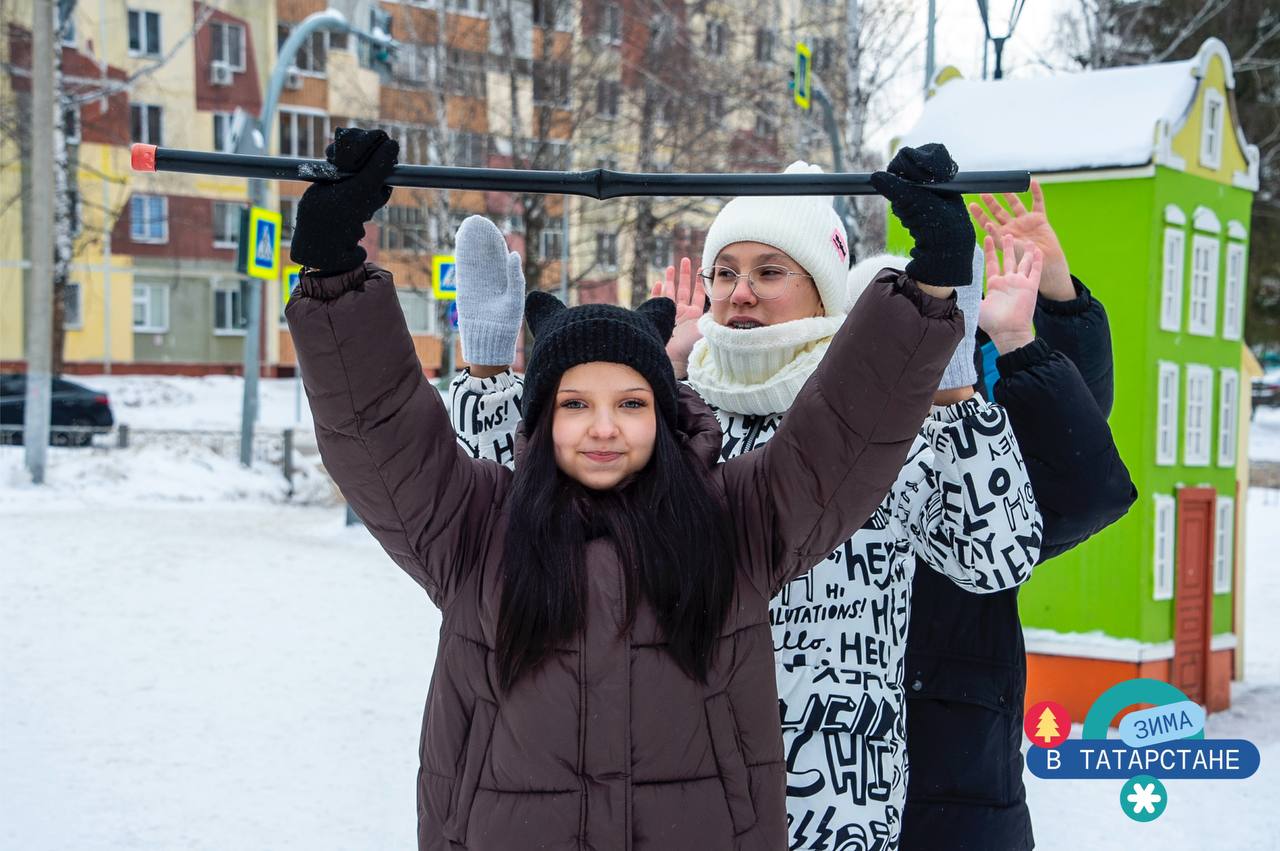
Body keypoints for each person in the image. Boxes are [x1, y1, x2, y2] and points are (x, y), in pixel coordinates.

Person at [284, 128, 966, 851]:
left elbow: (845, 435)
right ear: (543, 417)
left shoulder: (733, 522)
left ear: (665, 412)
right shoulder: (477, 525)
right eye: (576, 404)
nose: (603, 427)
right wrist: (334, 269)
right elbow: (377, 433)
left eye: (632, 403)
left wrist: (928, 286)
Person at [447, 145, 1048, 849]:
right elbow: (508, 510)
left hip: (836, 809)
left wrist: (947, 384)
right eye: (725, 272)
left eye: (769, 271)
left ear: (823, 290)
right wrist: (488, 370)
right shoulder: (673, 420)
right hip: (692, 805)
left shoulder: (881, 417)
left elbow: (998, 556)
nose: (740, 293)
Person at [894, 183, 1137, 851]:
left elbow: (1078, 467)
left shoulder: (987, 502)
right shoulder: (811, 480)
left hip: (963, 817)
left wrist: (1044, 312)